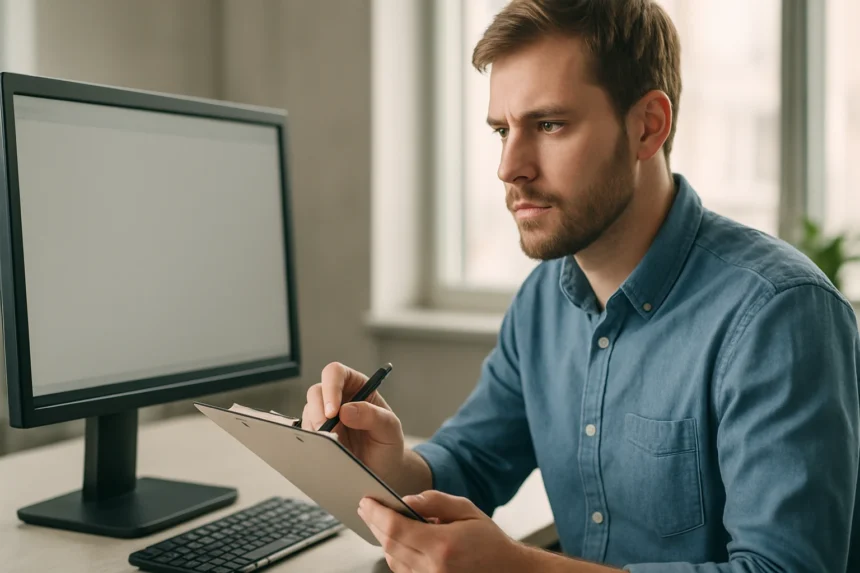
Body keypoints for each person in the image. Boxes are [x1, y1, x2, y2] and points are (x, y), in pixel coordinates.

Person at [302, 1, 860, 571]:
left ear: (648, 126)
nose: (510, 167)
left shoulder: (780, 314)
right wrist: (390, 464)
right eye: (502, 131)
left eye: (549, 125)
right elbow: (471, 461)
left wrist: (521, 568)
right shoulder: (543, 300)